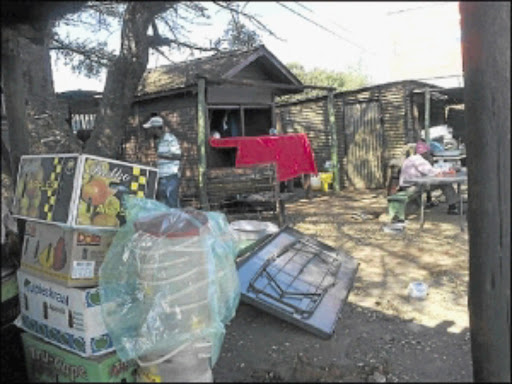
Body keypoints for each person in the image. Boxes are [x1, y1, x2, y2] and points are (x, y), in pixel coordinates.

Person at [399, 140, 461, 215]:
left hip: (407, 184)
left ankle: (430, 201)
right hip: (412, 187)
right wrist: (447, 170)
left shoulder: (411, 158)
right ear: (425, 153)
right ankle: (452, 207)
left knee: (430, 182)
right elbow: (430, 171)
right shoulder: (419, 160)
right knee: (445, 183)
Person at [143, 113, 182, 208]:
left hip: (170, 175)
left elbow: (178, 156)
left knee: (172, 203)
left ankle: (175, 222)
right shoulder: (157, 141)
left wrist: (161, 156)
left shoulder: (170, 138)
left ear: (156, 128)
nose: (149, 131)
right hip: (161, 176)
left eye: (151, 128)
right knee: (163, 204)